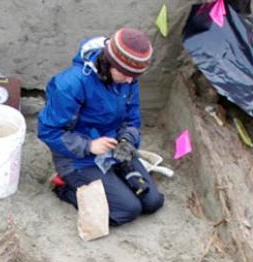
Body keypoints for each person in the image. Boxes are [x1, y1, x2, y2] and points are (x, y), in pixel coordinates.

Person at [38, 27, 165, 227]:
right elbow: (48, 131)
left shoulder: (128, 79)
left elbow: (132, 120)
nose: (131, 80)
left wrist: (126, 140)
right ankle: (63, 188)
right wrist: (89, 146)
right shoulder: (72, 84)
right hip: (77, 159)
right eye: (126, 73)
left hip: (112, 147)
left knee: (152, 202)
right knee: (127, 210)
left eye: (136, 75)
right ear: (109, 63)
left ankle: (113, 178)